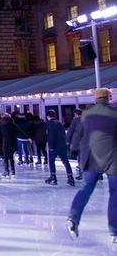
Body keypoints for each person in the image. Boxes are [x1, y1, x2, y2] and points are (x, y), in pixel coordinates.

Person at [67, 88, 117, 243]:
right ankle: (114, 230)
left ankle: (73, 218)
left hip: (90, 157)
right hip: (112, 158)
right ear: (109, 97)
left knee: (86, 188)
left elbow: (78, 135)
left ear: (95, 99)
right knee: (115, 192)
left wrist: (73, 148)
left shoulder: (85, 115)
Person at [45, 110, 75, 186]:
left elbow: (51, 135)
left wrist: (51, 146)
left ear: (48, 116)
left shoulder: (50, 124)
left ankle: (53, 177)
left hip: (54, 146)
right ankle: (70, 177)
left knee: (51, 161)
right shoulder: (59, 123)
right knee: (65, 161)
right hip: (62, 145)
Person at [0, 114, 18, 178]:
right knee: (11, 157)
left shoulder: (1, 125)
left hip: (5, 143)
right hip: (12, 143)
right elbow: (17, 132)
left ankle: (6, 171)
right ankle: (13, 171)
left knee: (6, 158)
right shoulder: (13, 124)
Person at [67, 109, 84, 180]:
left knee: (80, 158)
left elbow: (70, 131)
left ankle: (82, 174)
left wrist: (67, 140)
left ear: (76, 114)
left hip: (78, 142)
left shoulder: (75, 121)